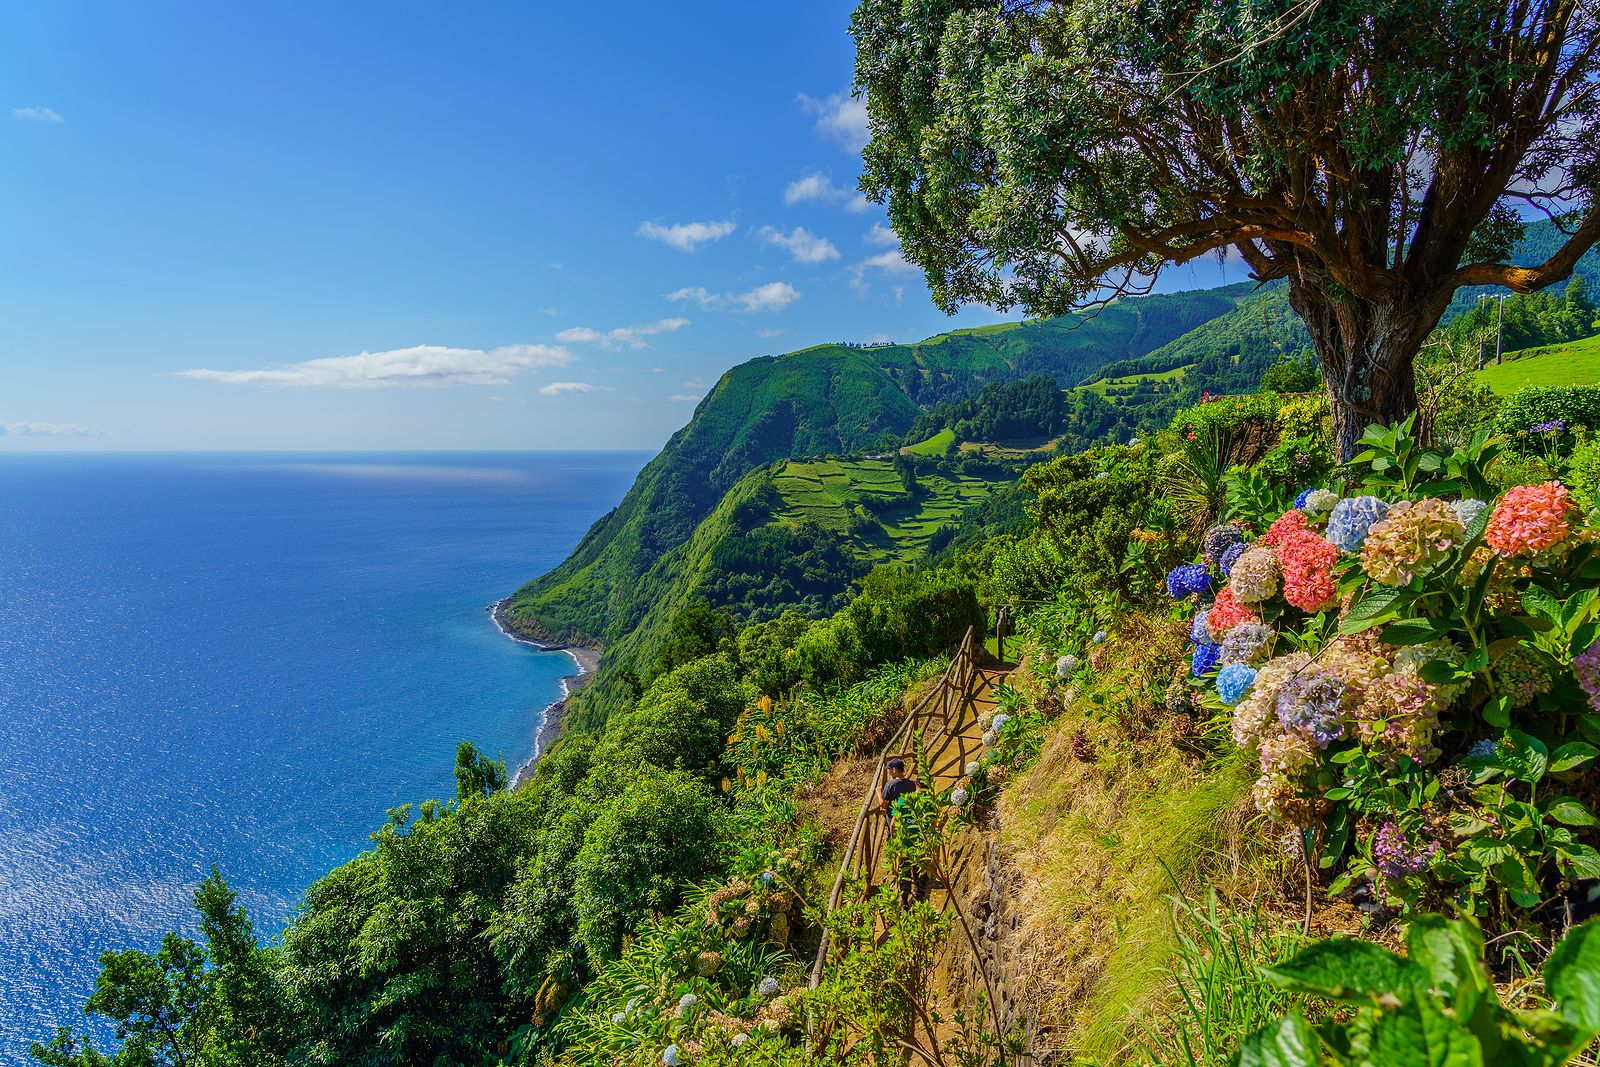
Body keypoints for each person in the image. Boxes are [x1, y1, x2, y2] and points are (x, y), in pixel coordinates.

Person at [877, 757, 926, 907]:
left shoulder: (890, 785)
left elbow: (883, 805)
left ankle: (904, 900)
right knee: (916, 868)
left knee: (902, 866)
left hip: (899, 830)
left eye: (889, 770)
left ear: (894, 770)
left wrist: (878, 792)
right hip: (916, 833)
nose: (889, 772)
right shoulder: (912, 784)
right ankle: (918, 900)